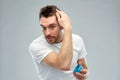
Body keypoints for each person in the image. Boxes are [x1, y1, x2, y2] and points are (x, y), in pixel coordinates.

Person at [29, 5, 89, 80]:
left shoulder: (77, 40)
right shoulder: (37, 46)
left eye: (52, 27)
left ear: (61, 25)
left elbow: (85, 70)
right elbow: (64, 65)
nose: (47, 33)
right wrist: (68, 27)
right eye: (44, 28)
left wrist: (83, 75)